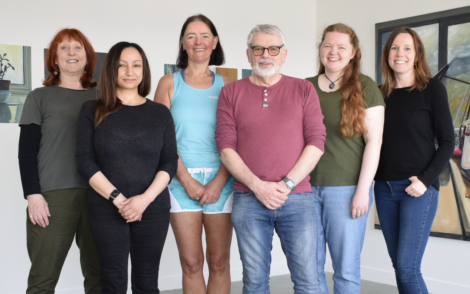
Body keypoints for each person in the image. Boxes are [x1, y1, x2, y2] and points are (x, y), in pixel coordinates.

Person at [215, 24, 326, 293]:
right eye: (258, 48)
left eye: (273, 48)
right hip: (248, 199)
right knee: (254, 283)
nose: (266, 54)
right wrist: (258, 186)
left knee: (309, 281)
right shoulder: (231, 92)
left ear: (284, 54)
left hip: (297, 198)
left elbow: (317, 142)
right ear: (248, 54)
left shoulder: (303, 89)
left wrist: (285, 185)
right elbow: (226, 147)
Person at [75, 42, 178, 293]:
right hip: (106, 208)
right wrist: (119, 200)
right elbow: (85, 162)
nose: (129, 71)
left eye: (136, 64)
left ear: (144, 71)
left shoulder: (160, 113)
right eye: (121, 65)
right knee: (112, 282)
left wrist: (144, 200)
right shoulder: (92, 110)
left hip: (152, 208)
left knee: (146, 281)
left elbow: (169, 161)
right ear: (111, 69)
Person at [154, 14, 234, 294]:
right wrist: (186, 179)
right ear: (183, 44)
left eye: (204, 36)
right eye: (191, 36)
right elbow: (161, 139)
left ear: (214, 42)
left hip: (221, 181)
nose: (198, 41)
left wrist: (218, 181)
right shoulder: (168, 83)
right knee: (190, 262)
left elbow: (235, 142)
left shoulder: (228, 86)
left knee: (219, 260)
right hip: (179, 180)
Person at [18, 28, 101, 294]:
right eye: (63, 48)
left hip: (99, 193)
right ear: (54, 58)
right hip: (53, 195)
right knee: (43, 278)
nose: (71, 53)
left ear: (87, 57)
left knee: (101, 276)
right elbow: (26, 151)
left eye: (77, 47)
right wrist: (33, 194)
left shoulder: (104, 97)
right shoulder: (39, 97)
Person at [374, 27, 454, 294]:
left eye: (407, 48)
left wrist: (425, 181)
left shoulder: (432, 89)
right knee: (400, 266)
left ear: (417, 54)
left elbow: (447, 142)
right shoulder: (379, 93)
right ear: (387, 54)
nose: (401, 54)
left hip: (417, 190)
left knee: (408, 268)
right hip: (383, 190)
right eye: (395, 48)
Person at [306, 23, 385, 293]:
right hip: (304, 190)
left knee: (346, 270)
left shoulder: (365, 86)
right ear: (320, 49)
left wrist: (363, 191)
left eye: (341, 47)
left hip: (347, 189)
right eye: (328, 45)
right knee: (308, 270)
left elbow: (374, 142)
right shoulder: (304, 87)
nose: (333, 51)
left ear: (353, 53)